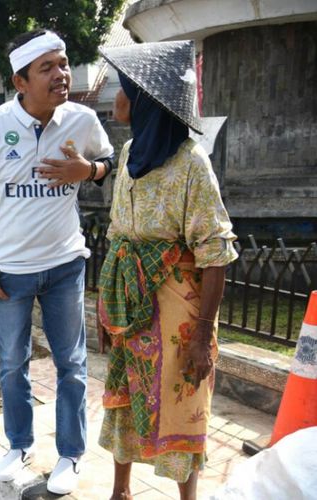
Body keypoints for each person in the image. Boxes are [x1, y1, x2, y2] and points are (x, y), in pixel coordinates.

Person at [0, 29, 115, 495]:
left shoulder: (81, 121)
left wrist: (87, 171)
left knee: (72, 363)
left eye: (63, 64)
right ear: (20, 80)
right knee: (12, 363)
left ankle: (70, 455)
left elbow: (109, 163)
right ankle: (19, 444)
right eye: (47, 68)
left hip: (66, 264)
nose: (61, 75)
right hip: (8, 273)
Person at [96, 41, 238, 500]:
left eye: (123, 92)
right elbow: (119, 238)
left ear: (144, 102)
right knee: (124, 396)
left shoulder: (192, 166)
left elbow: (215, 256)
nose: (115, 101)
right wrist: (107, 309)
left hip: (178, 311)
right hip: (132, 305)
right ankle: (121, 490)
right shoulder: (130, 154)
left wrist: (201, 337)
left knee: (181, 404)